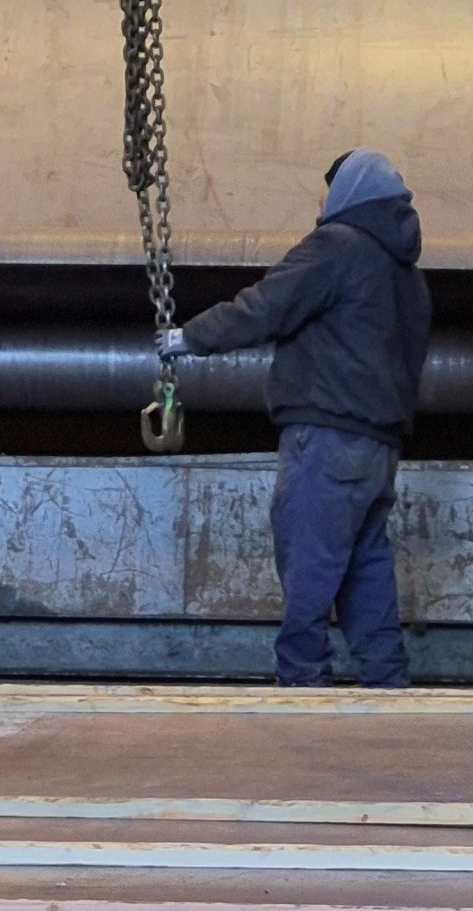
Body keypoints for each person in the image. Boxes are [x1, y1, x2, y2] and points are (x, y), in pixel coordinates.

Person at [159, 149, 431, 688]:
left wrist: (190, 337)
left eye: (328, 190)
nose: (321, 204)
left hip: (327, 438)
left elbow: (267, 305)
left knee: (309, 564)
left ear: (348, 194)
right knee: (366, 569)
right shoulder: (409, 278)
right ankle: (387, 688)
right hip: (379, 447)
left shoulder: (336, 247)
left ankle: (302, 689)